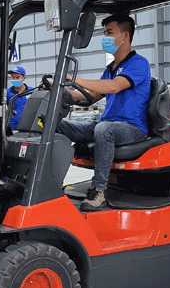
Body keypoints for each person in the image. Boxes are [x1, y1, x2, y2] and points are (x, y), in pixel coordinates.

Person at [57, 14, 151, 212]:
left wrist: (73, 78)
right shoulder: (110, 69)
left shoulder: (138, 64)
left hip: (132, 128)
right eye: (104, 33)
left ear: (125, 36)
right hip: (106, 124)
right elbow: (89, 97)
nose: (105, 38)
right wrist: (59, 90)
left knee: (104, 129)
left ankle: (98, 191)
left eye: (109, 33)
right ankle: (48, 183)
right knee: (57, 125)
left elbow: (115, 87)